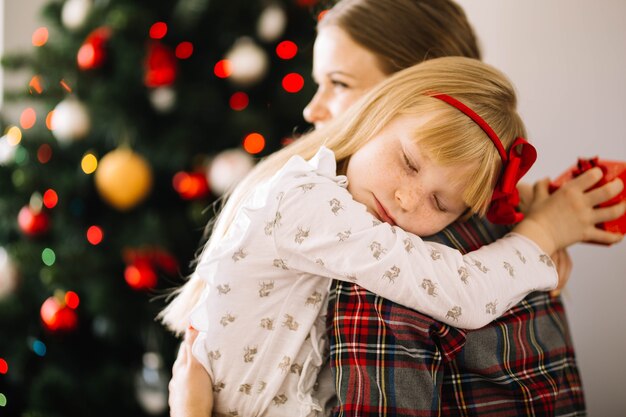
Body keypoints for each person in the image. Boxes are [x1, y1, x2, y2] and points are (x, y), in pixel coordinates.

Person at [161, 56, 625, 416]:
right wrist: (544, 231)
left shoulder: (335, 203)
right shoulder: (307, 202)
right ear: (381, 112)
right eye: (409, 162)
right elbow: (459, 290)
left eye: (441, 205)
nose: (407, 199)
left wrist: (525, 200)